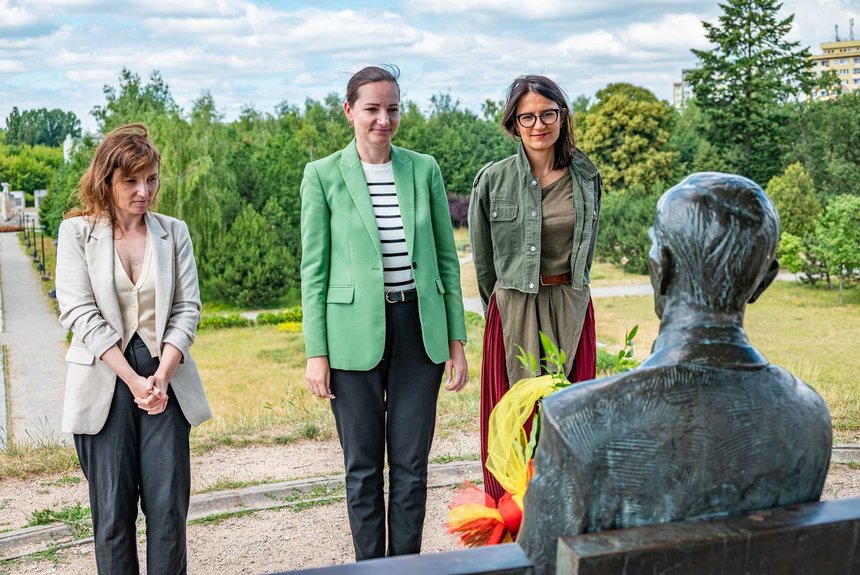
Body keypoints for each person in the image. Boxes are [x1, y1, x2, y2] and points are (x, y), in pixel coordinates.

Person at [517, 172, 832, 575]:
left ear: (659, 267)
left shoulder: (578, 421)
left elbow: (536, 568)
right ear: (763, 282)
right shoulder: (810, 418)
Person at [300, 65, 469, 560]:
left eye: (392, 108)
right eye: (372, 108)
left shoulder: (425, 168)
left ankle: (406, 569)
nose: (383, 119)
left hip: (419, 330)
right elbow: (314, 270)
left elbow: (445, 260)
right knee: (363, 468)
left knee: (413, 467)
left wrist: (456, 341)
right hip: (352, 336)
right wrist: (317, 352)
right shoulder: (323, 175)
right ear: (349, 111)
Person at [55, 123, 212, 575]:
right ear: (106, 180)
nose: (144, 191)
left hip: (166, 381)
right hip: (105, 379)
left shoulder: (173, 232)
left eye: (152, 179)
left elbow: (187, 308)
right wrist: (133, 378)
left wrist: (161, 375)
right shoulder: (76, 235)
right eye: (131, 180)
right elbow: (79, 313)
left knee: (167, 514)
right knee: (112, 517)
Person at [468, 75, 602, 501]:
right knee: (514, 418)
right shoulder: (492, 180)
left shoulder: (586, 175)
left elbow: (587, 249)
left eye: (548, 114)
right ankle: (509, 517)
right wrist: (504, 307)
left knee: (569, 415)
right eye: (527, 117)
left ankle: (567, 511)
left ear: (562, 117)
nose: (538, 124)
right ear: (513, 124)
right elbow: (484, 261)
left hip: (569, 305)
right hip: (513, 309)